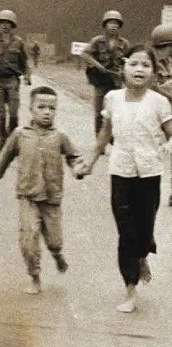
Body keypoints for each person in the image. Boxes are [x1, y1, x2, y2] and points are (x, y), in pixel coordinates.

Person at [77, 45, 172, 313]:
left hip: (150, 175)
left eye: (145, 65)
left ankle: (141, 255)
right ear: (123, 69)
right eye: (134, 64)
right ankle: (130, 289)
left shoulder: (159, 102)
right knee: (126, 233)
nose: (139, 69)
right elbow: (104, 135)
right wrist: (89, 162)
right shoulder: (112, 98)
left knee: (144, 230)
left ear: (153, 73)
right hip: (120, 173)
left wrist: (169, 144)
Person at [0, 86, 82, 294]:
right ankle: (34, 276)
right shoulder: (20, 135)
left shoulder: (60, 136)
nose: (47, 112)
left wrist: (78, 168)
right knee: (29, 240)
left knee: (55, 240)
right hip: (27, 196)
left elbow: (73, 157)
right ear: (31, 108)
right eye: (41, 107)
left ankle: (56, 254)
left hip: (52, 198)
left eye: (52, 108)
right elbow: (3, 159)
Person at [0, 9, 32, 156]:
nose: (4, 26)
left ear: (12, 25)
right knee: (1, 115)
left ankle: (13, 144)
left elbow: (24, 63)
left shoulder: (19, 42)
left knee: (14, 114)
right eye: (2, 23)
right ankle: (3, 145)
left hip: (12, 81)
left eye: (8, 23)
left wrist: (27, 76)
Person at [80, 10, 130, 137]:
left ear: (119, 26)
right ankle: (99, 139)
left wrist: (124, 71)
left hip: (116, 82)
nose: (113, 26)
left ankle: (113, 137)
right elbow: (85, 54)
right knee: (99, 112)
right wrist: (98, 66)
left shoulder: (124, 43)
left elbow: (129, 60)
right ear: (105, 25)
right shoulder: (97, 41)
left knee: (116, 111)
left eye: (116, 23)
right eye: (110, 23)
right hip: (101, 81)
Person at [150, 24, 172, 206]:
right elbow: (153, 87)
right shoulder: (152, 65)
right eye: (160, 47)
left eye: (165, 47)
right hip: (159, 114)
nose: (162, 51)